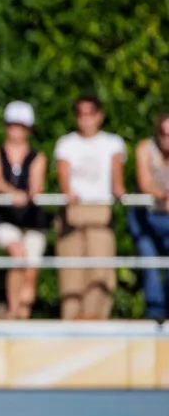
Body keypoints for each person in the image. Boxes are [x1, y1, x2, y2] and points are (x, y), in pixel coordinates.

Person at [53, 95, 126, 320]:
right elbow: (63, 172)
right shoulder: (66, 143)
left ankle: (95, 317)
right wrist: (67, 190)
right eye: (81, 114)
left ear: (99, 116)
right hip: (73, 209)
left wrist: (119, 188)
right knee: (71, 270)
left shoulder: (112, 142)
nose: (85, 119)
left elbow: (116, 174)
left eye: (90, 114)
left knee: (100, 269)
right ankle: (71, 319)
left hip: (99, 210)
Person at [0, 101, 50, 319]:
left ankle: (22, 316)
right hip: (3, 216)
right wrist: (12, 193)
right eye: (12, 125)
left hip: (31, 218)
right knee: (18, 256)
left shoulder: (37, 157)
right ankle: (13, 311)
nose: (15, 130)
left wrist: (30, 193)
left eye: (20, 126)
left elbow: (36, 184)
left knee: (30, 272)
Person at [130, 112, 169, 322]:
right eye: (164, 134)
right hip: (145, 217)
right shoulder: (145, 149)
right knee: (150, 264)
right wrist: (165, 196)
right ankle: (155, 313)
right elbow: (145, 183)